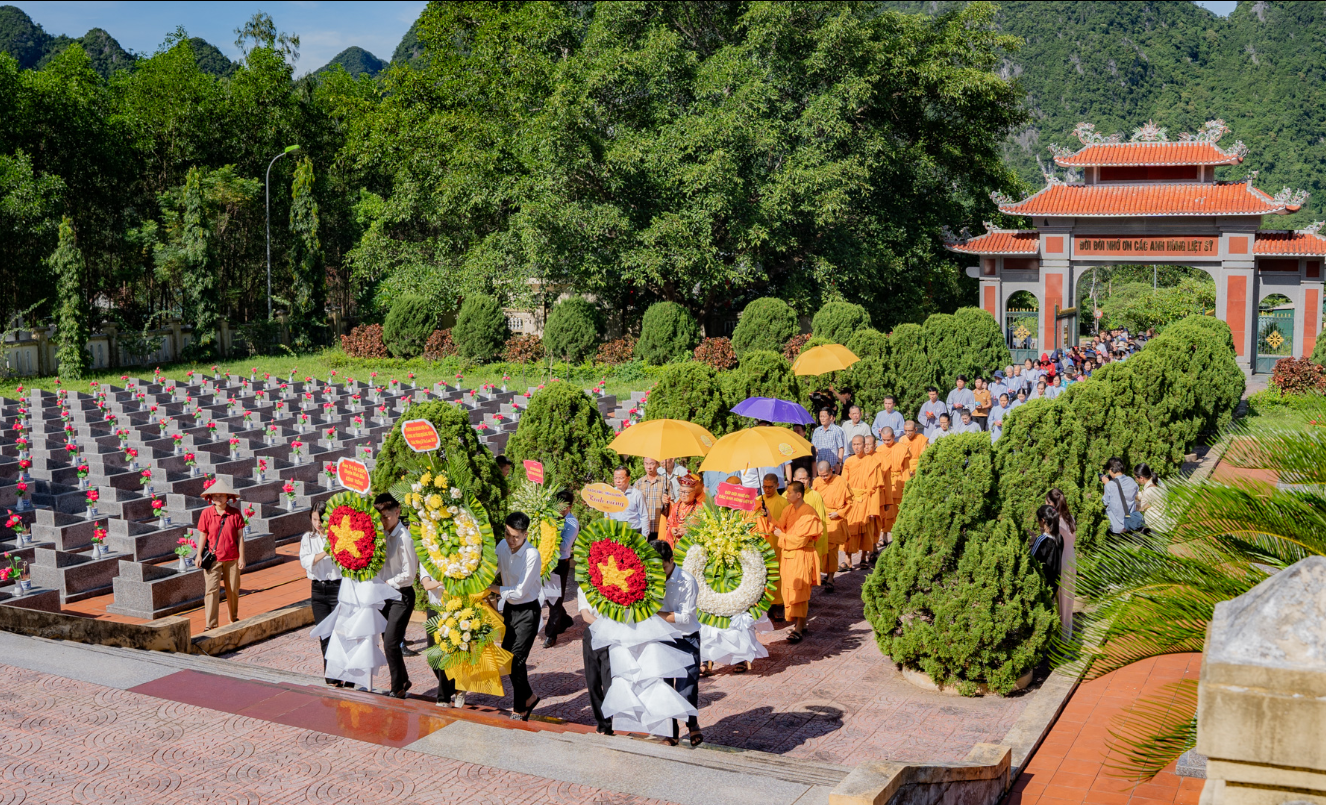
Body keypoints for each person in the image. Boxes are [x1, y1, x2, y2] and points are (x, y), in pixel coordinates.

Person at [651, 539, 702, 747]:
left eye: (662, 567)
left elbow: (685, 618)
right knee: (665, 687)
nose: (659, 573)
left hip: (686, 637)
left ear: (671, 560)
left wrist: (654, 613)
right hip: (662, 637)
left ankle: (692, 724)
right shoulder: (650, 577)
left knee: (686, 687)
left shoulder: (687, 581)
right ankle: (671, 732)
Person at [492, 511, 542, 720]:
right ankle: (529, 697)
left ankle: (519, 707)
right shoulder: (502, 546)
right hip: (510, 610)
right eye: (508, 534)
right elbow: (492, 567)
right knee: (508, 658)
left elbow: (520, 591)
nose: (511, 541)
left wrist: (493, 589)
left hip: (528, 611)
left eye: (516, 537)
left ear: (525, 534)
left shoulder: (532, 554)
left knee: (518, 660)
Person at [375, 493, 418, 699]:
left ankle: (397, 688)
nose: (384, 521)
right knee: (388, 639)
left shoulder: (404, 538)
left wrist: (387, 583)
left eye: (387, 516)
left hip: (401, 595)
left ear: (398, 512)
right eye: (381, 517)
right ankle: (403, 679)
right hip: (385, 595)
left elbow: (409, 575)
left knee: (391, 642)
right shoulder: (379, 534)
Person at [771, 481, 821, 644]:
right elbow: (779, 526)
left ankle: (799, 627)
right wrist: (768, 516)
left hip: (801, 555)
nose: (786, 495)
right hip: (788, 556)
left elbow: (800, 540)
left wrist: (782, 536)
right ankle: (801, 621)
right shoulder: (788, 509)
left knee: (800, 590)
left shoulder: (809, 513)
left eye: (790, 492)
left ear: (798, 495)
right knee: (789, 590)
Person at [299, 501, 341, 687]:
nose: (318, 523)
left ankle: (345, 674)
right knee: (325, 634)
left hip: (338, 588)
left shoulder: (338, 536)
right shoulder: (308, 538)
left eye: (321, 519)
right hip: (318, 589)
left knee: (340, 633)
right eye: (314, 519)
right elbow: (306, 561)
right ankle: (331, 676)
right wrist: (325, 552)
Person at [197, 477, 246, 630]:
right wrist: (198, 555)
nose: (218, 498)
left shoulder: (235, 514)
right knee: (211, 591)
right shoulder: (206, 514)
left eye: (221, 495)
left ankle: (233, 618)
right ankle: (211, 625)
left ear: (228, 497)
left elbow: (240, 537)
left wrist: (242, 557)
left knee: (233, 590)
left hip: (232, 558)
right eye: (215, 495)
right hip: (213, 559)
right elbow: (203, 535)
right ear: (210, 497)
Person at [542, 489, 579, 647]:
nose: (559, 509)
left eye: (563, 507)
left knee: (555, 598)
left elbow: (564, 546)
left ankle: (551, 635)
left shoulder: (571, 523)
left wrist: (551, 534)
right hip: (545, 561)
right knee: (549, 597)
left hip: (559, 563)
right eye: (557, 505)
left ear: (570, 507)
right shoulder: (549, 517)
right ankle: (565, 620)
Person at [578, 580, 613, 734]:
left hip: (612, 638)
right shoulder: (584, 587)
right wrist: (604, 628)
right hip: (593, 635)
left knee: (609, 683)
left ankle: (613, 720)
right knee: (592, 682)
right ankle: (603, 724)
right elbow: (586, 615)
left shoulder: (614, 584)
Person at [841, 435, 881, 571]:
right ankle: (848, 560)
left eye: (859, 444)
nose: (857, 447)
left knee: (866, 530)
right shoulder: (848, 462)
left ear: (865, 445)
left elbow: (875, 488)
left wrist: (873, 509)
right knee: (850, 529)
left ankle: (863, 558)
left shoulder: (872, 462)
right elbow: (843, 484)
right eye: (854, 444)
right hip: (851, 501)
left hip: (866, 500)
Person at [812, 461, 851, 593]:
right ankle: (823, 573)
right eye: (820, 475)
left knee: (832, 551)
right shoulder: (816, 482)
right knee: (821, 550)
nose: (823, 478)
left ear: (831, 471)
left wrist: (839, 513)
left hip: (834, 518)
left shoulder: (841, 482)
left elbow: (849, 503)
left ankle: (830, 578)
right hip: (821, 519)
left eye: (825, 475)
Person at [790, 466, 828, 591]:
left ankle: (805, 598)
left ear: (809, 480)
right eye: (799, 479)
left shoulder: (815, 496)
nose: (802, 482)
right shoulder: (787, 495)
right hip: (792, 542)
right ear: (794, 479)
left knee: (807, 573)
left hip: (809, 542)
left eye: (805, 479)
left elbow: (820, 520)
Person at [1046, 489, 1077, 640]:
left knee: (1058, 600)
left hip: (1060, 561)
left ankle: (1060, 638)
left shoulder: (1054, 521)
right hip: (1071, 560)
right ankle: (1067, 636)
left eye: (1046, 502)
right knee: (1068, 601)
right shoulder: (1070, 518)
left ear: (1052, 503)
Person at [875, 428, 909, 540]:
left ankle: (897, 536)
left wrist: (906, 485)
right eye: (884, 440)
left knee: (898, 510)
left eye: (889, 439)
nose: (886, 442)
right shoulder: (878, 450)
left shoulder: (902, 449)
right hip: (885, 482)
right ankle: (884, 536)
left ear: (894, 437)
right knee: (886, 511)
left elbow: (906, 469)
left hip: (898, 480)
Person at [1101, 457, 1141, 534]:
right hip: (1130, 525)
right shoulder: (1131, 481)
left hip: (1116, 527)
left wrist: (1106, 484)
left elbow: (1105, 502)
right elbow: (1136, 497)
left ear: (1111, 470)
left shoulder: (1110, 485)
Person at [663, 473, 705, 546]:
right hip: (676, 545)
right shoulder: (676, 507)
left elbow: (703, 529)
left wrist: (687, 531)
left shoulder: (700, 508)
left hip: (690, 546)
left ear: (693, 492)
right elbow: (669, 525)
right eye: (681, 491)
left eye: (686, 492)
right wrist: (672, 530)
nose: (682, 494)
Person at [634, 458, 670, 540]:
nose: (648, 467)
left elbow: (671, 507)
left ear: (657, 464)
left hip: (659, 527)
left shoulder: (665, 482)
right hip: (642, 528)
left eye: (652, 464)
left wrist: (666, 503)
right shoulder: (638, 483)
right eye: (646, 464)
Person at [609, 466, 651, 535]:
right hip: (615, 532)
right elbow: (607, 514)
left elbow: (644, 516)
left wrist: (645, 536)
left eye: (621, 478)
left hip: (634, 532)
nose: (617, 481)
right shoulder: (610, 494)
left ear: (628, 478)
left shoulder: (637, 494)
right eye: (615, 478)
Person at [1134, 463, 1169, 532]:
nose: (1136, 480)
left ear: (1141, 478)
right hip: (1164, 522)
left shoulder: (1149, 491)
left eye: (1136, 478)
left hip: (1156, 528)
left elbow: (1140, 507)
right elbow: (1143, 495)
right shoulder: (1157, 481)